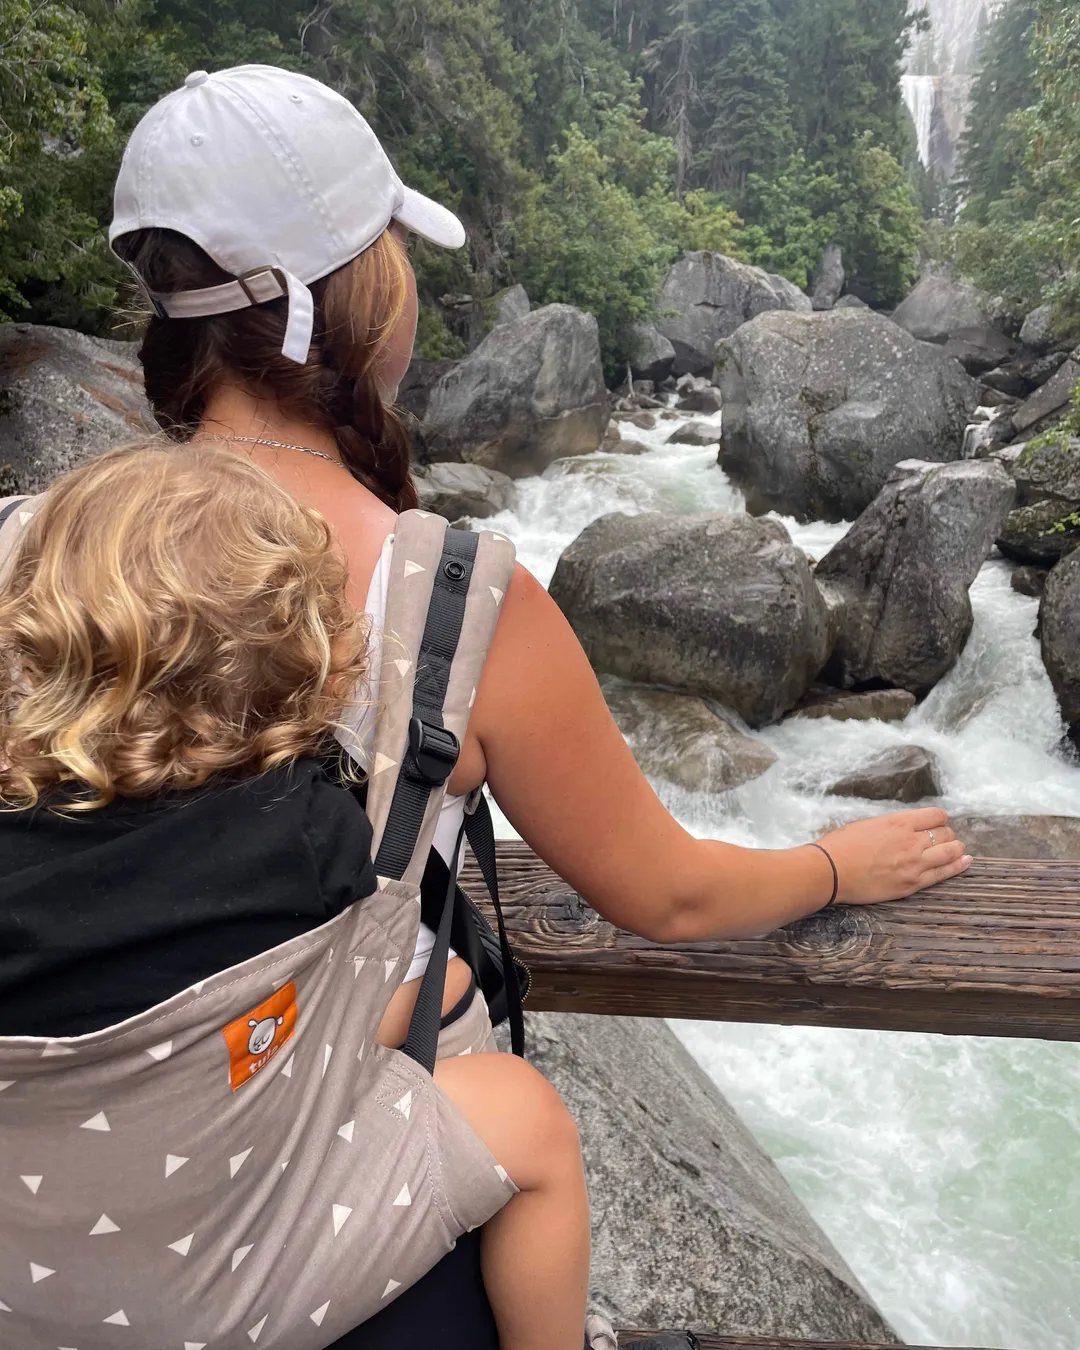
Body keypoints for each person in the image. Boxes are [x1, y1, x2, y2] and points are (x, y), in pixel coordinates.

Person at [100, 62, 968, 1345]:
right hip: (309, 1247)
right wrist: (836, 863)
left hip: (62, 1227)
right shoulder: (454, 603)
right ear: (354, 302)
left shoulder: (30, 550)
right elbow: (666, 893)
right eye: (389, 251)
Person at [0, 443, 592, 1350]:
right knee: (526, 1115)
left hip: (27, 1286)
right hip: (230, 1295)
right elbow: (308, 1015)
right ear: (303, 653)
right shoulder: (312, 842)